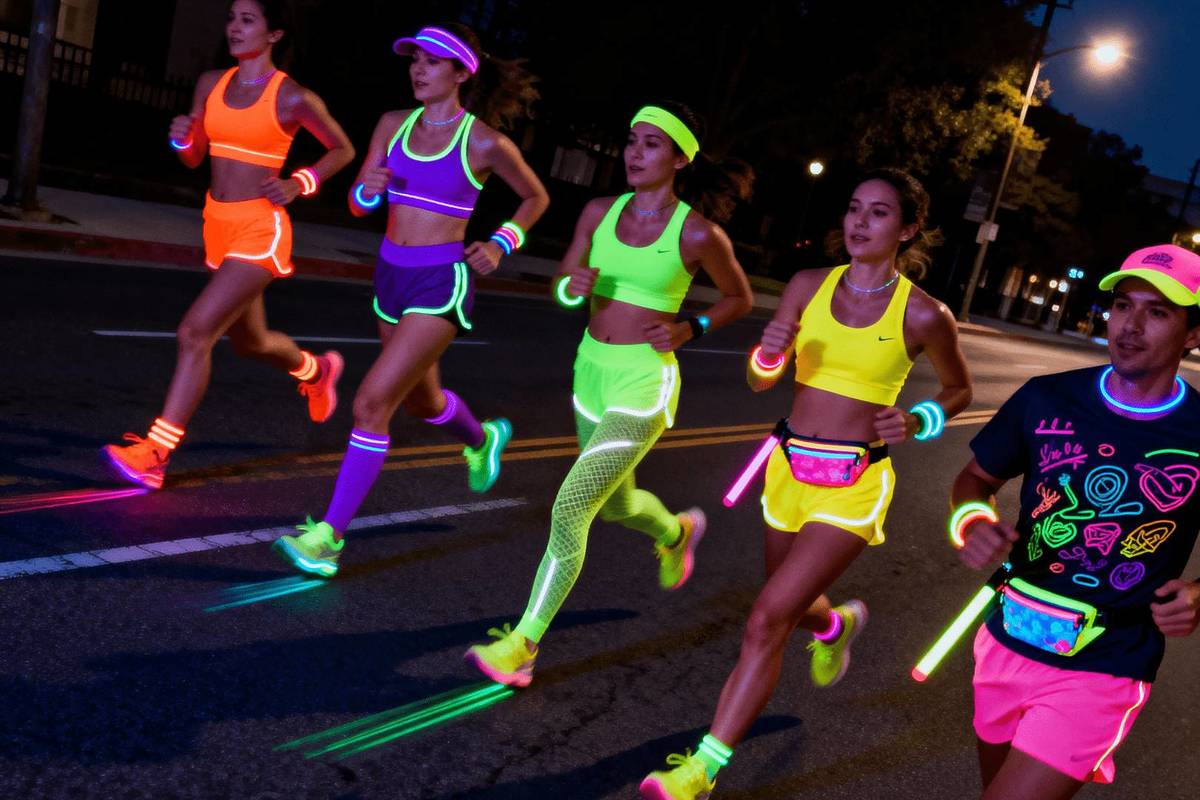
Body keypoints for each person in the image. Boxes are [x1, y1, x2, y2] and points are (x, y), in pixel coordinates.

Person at [640, 168, 973, 799]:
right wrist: (769, 353)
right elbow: (760, 380)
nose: (859, 222)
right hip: (787, 469)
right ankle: (834, 626)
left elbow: (960, 389)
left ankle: (702, 770)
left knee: (766, 618)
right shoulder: (806, 285)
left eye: (879, 213)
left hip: (854, 484)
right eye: (854, 207)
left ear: (908, 230)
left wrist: (920, 418)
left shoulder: (924, 314)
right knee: (789, 607)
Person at [463, 103, 754, 686]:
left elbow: (739, 298)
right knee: (617, 504)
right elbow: (563, 288)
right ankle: (674, 531)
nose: (635, 153)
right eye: (632, 140)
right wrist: (572, 287)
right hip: (590, 371)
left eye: (651, 144)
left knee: (572, 508)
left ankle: (524, 645)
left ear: (679, 159)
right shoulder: (599, 211)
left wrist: (690, 328)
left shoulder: (697, 232)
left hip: (643, 383)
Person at [272, 23, 548, 578]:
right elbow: (358, 204)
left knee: (372, 402)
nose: (419, 69)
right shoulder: (391, 124)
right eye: (415, 60)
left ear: (462, 72)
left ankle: (328, 538)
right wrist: (369, 188)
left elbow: (535, 197)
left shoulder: (483, 142)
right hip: (389, 279)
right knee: (423, 401)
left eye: (432, 61)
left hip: (439, 283)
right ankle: (482, 438)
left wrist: (501, 242)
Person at [949, 243, 1200, 798]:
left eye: (1158, 312)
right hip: (1007, 636)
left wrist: (1199, 594)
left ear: (1193, 334)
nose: (1131, 325)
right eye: (1123, 305)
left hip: (1108, 660)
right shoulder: (1047, 398)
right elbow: (974, 480)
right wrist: (972, 522)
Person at [103, 0, 355, 490]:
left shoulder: (291, 96)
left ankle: (156, 453)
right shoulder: (210, 83)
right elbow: (195, 158)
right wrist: (183, 138)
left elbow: (341, 148)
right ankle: (316, 370)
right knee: (250, 342)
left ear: (275, 33)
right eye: (232, 18)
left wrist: (300, 182)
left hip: (261, 229)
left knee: (195, 332)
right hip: (217, 224)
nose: (234, 28)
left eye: (248, 20)